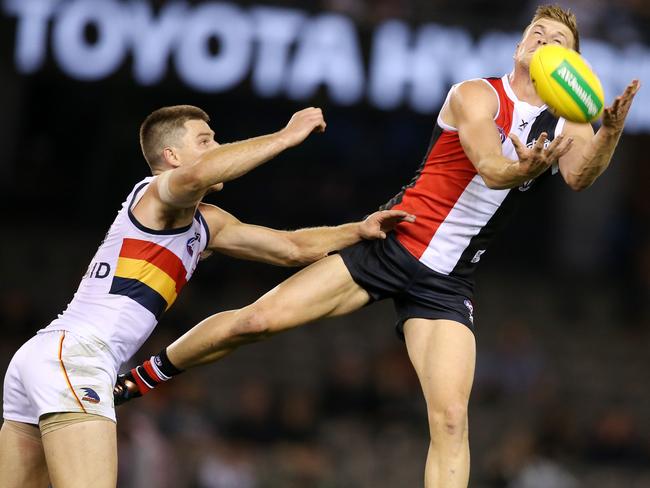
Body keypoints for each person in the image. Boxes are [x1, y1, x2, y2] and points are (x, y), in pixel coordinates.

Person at [114, 5, 640, 487]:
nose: (543, 40)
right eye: (537, 31)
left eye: (558, 41)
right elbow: (489, 165)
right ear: (520, 45)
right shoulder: (475, 94)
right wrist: (519, 167)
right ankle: (141, 377)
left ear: (568, 63)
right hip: (394, 240)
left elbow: (580, 177)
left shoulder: (570, 119)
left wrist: (610, 133)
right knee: (258, 321)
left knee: (452, 418)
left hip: (447, 283)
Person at [0, 105, 414, 488]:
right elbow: (198, 177)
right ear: (171, 156)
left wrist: (358, 230)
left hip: (46, 357)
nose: (216, 148)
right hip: (75, 356)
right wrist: (286, 136)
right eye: (204, 141)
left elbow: (293, 248)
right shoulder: (157, 194)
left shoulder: (206, 223)